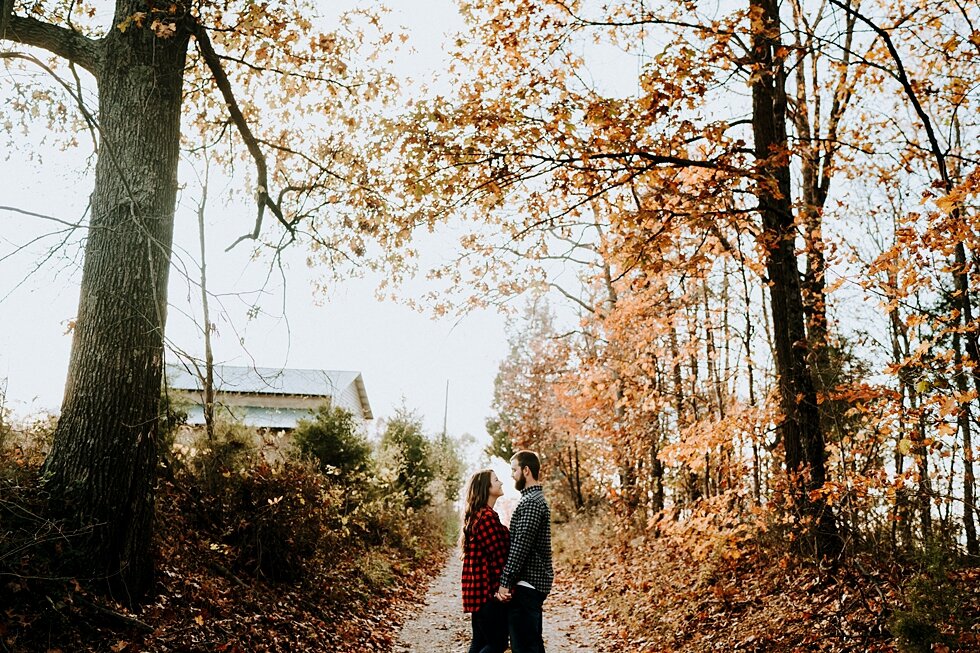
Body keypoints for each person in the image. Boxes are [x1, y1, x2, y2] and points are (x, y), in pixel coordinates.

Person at [495, 450, 553, 653]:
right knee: (532, 644)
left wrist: (505, 582)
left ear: (526, 470)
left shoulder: (531, 503)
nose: (511, 475)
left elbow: (521, 546)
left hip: (528, 584)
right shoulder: (533, 500)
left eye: (514, 470)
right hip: (531, 583)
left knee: (524, 646)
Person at [460, 469, 510, 653]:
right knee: (497, 644)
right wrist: (502, 590)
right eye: (496, 480)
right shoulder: (486, 518)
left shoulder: (479, 515)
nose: (501, 483)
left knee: (480, 641)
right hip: (487, 594)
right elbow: (498, 560)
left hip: (479, 594)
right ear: (486, 488)